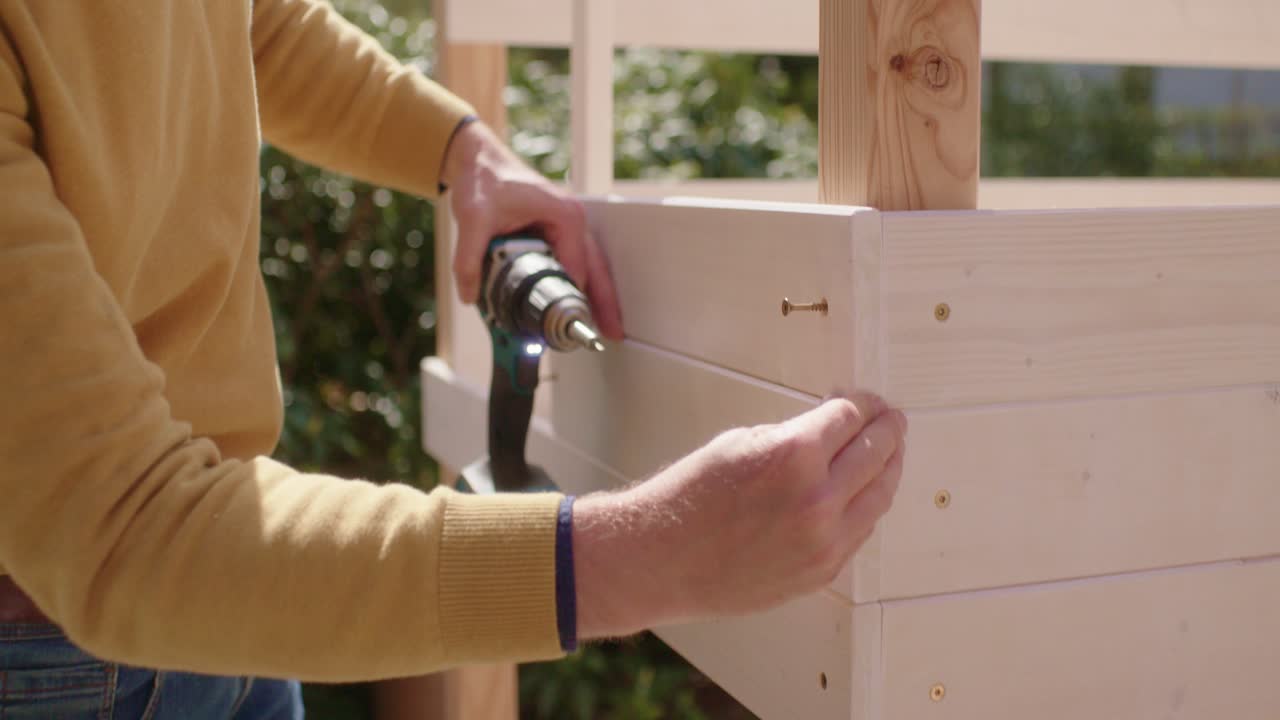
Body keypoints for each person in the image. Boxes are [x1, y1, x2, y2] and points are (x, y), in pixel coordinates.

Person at [0, 1, 907, 717]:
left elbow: (249, 23)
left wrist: (459, 146)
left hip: (223, 616)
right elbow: (119, 526)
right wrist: (649, 556)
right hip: (56, 656)